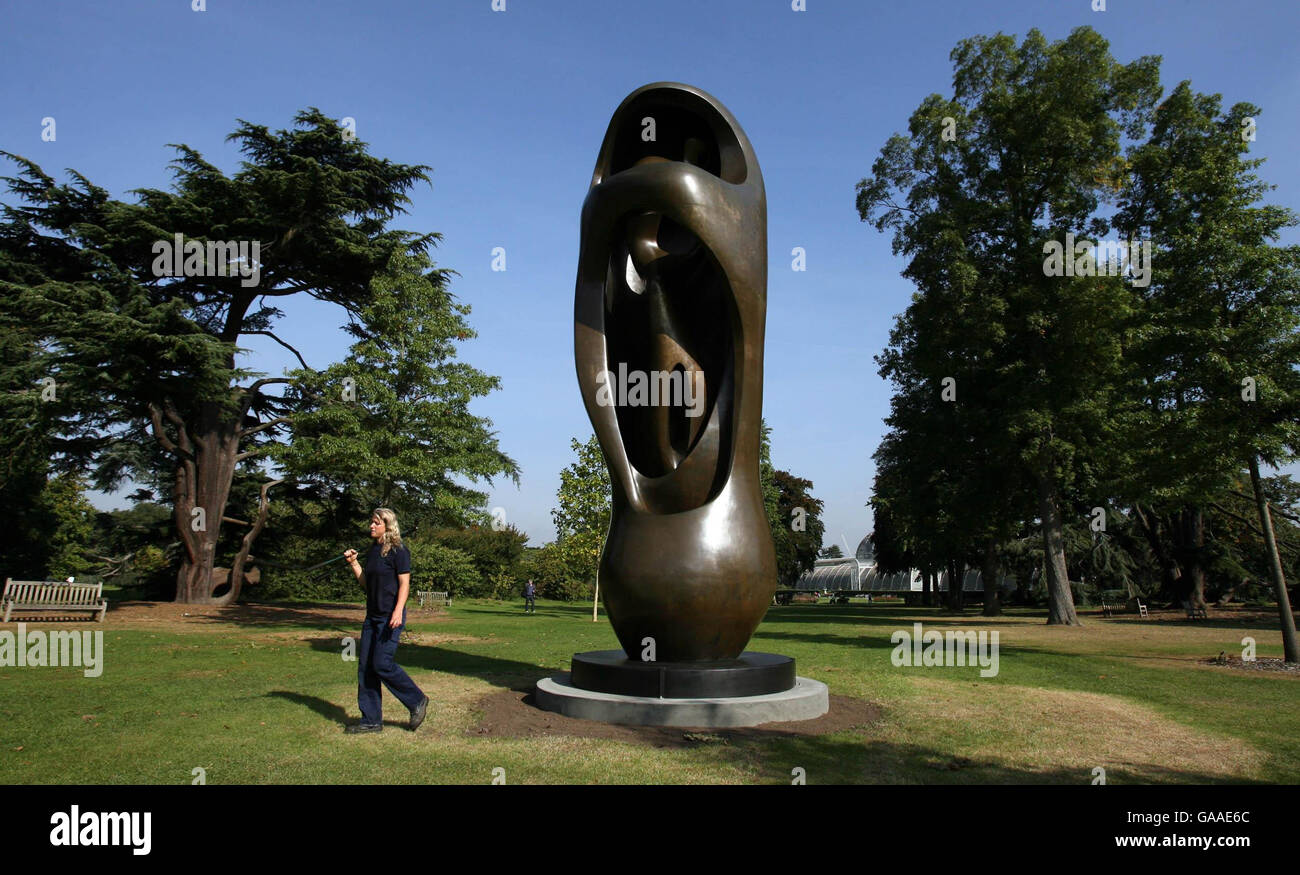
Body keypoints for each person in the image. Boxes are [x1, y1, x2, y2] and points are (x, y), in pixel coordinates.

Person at [342, 508, 428, 734]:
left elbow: (405, 584)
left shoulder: (399, 551)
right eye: (371, 522)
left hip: (390, 617)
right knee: (366, 668)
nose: (371, 526)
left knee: (382, 663)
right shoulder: (373, 551)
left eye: (376, 522)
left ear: (388, 526)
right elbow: (366, 584)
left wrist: (398, 611)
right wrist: (354, 563)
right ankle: (371, 720)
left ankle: (417, 700)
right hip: (372, 616)